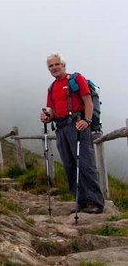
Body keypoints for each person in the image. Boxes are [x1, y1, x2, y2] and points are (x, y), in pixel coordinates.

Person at [40, 53, 105, 214]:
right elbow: (53, 111)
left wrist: (87, 121)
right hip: (61, 128)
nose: (54, 68)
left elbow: (87, 100)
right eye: (51, 66)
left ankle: (95, 202)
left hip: (78, 127)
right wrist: (48, 117)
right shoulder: (52, 87)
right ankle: (81, 201)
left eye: (57, 64)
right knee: (69, 166)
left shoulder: (76, 79)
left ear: (63, 65)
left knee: (85, 165)